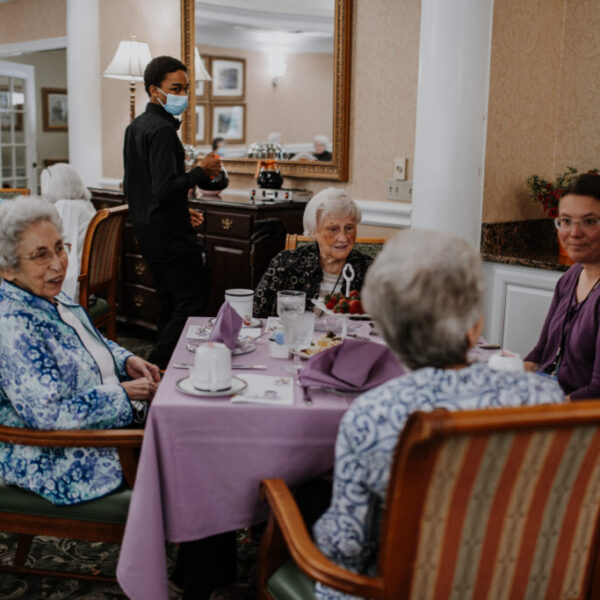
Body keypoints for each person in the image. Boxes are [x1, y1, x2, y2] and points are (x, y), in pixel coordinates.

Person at [312, 229, 564, 600]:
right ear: (475, 324)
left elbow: (348, 546)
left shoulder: (371, 415)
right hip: (520, 584)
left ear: (386, 330)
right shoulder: (546, 398)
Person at [0, 197, 159, 506]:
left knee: (195, 422)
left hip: (104, 427)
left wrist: (128, 359)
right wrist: (124, 395)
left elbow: (90, 342)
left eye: (60, 247)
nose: (58, 264)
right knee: (191, 450)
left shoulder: (49, 297)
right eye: (40, 255)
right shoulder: (14, 325)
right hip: (65, 460)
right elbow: (50, 416)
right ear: (7, 270)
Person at [123, 55, 221, 369]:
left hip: (149, 231)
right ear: (155, 91)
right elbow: (166, 187)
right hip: (170, 236)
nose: (183, 96)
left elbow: (140, 187)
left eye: (186, 89)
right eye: (175, 88)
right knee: (190, 303)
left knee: (167, 301)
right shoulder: (163, 130)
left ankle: (161, 371)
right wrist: (202, 170)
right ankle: (155, 367)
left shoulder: (135, 127)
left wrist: (181, 210)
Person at [525, 173, 600, 399]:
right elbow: (540, 352)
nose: (574, 233)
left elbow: (597, 392)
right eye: (566, 221)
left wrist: (545, 410)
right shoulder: (571, 277)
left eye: (590, 221)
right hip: (549, 395)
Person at [253, 188, 372, 317]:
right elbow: (256, 318)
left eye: (349, 228)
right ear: (313, 232)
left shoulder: (370, 271)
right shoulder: (285, 265)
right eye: (333, 229)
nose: (343, 238)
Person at [40, 162, 96, 299]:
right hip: (90, 282)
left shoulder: (66, 207)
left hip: (76, 283)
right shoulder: (85, 205)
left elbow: (64, 248)